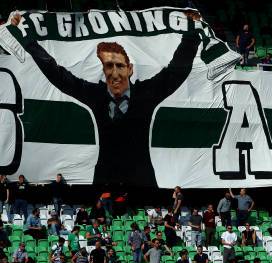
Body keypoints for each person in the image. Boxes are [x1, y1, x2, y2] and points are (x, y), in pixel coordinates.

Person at [10, 12, 204, 187]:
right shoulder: (95, 95)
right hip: (104, 182)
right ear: (103, 71)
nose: (115, 73)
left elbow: (175, 72)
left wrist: (191, 35)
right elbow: (57, 74)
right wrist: (28, 42)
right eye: (108, 66)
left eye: (119, 66)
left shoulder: (146, 93)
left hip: (142, 182)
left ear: (130, 69)